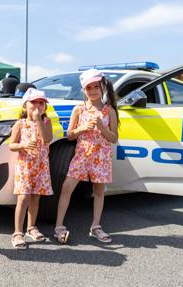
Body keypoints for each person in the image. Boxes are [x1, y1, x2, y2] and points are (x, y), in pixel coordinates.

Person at [54, 68, 119, 244]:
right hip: (82, 154)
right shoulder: (79, 109)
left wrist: (101, 126)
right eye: (89, 87)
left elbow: (114, 138)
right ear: (84, 90)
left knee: (99, 191)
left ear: (102, 88)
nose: (93, 90)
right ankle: (59, 226)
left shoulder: (109, 111)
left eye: (96, 86)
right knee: (67, 187)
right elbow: (69, 135)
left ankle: (96, 226)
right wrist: (82, 128)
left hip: (101, 156)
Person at [9, 88, 53, 249]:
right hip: (25, 166)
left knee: (36, 198)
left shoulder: (46, 122)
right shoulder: (20, 124)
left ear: (45, 107)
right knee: (23, 198)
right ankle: (17, 232)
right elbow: (11, 145)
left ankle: (31, 227)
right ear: (24, 106)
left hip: (41, 166)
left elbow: (47, 138)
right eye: (33, 102)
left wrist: (39, 121)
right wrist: (23, 145)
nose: (37, 105)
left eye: (41, 103)